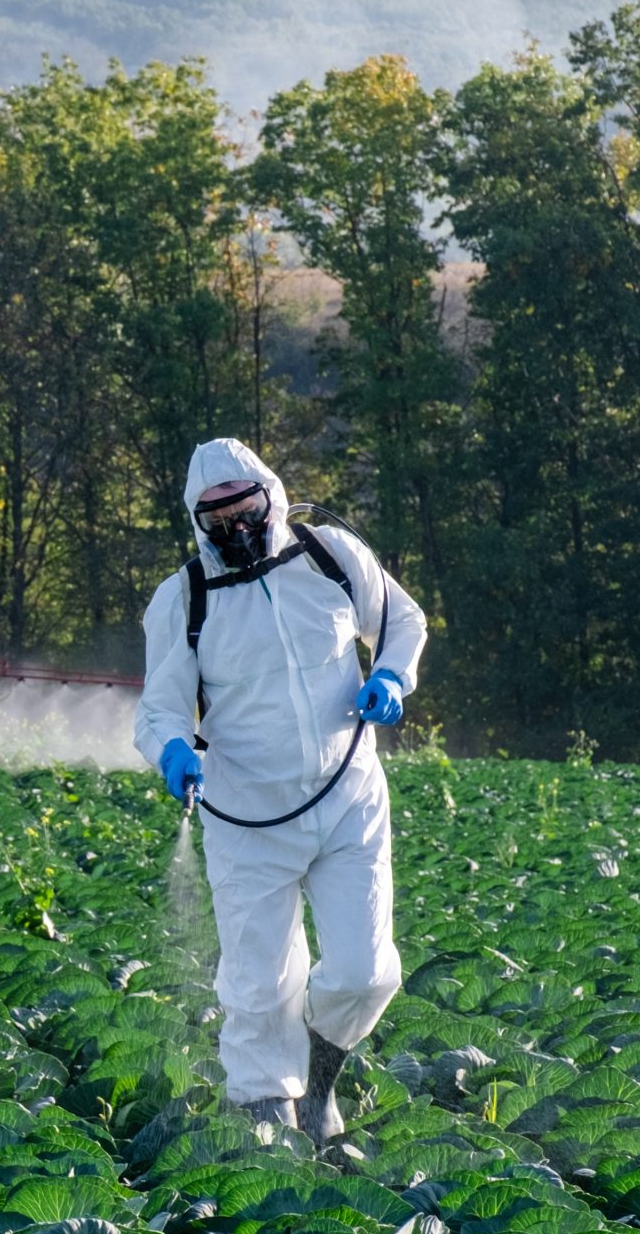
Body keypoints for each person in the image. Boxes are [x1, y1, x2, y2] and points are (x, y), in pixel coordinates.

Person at [134, 439, 429, 1146]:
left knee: (362, 972)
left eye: (245, 510)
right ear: (197, 522)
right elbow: (160, 709)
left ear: (271, 496)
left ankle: (321, 1084)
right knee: (260, 986)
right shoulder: (185, 599)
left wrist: (390, 677)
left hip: (347, 799)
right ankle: (269, 1123)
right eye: (216, 519)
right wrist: (173, 749)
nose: (234, 528)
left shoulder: (330, 557)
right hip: (246, 822)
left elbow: (403, 624)